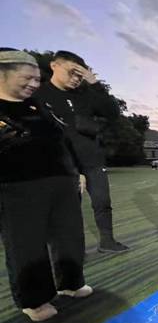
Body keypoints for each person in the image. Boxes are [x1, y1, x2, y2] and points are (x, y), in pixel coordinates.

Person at [0, 49, 92, 322]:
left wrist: (78, 171)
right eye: (26, 78)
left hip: (62, 181)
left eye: (36, 79)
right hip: (18, 186)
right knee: (27, 244)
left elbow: (62, 140)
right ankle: (35, 300)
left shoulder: (38, 105)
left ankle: (70, 283)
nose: (33, 84)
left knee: (69, 237)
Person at [34, 51, 128, 254]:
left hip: (93, 161)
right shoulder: (40, 95)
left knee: (103, 202)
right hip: (63, 163)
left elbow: (112, 112)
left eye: (80, 75)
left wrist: (94, 83)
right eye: (72, 72)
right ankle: (67, 251)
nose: (76, 78)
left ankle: (107, 241)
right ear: (54, 66)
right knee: (67, 209)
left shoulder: (84, 96)